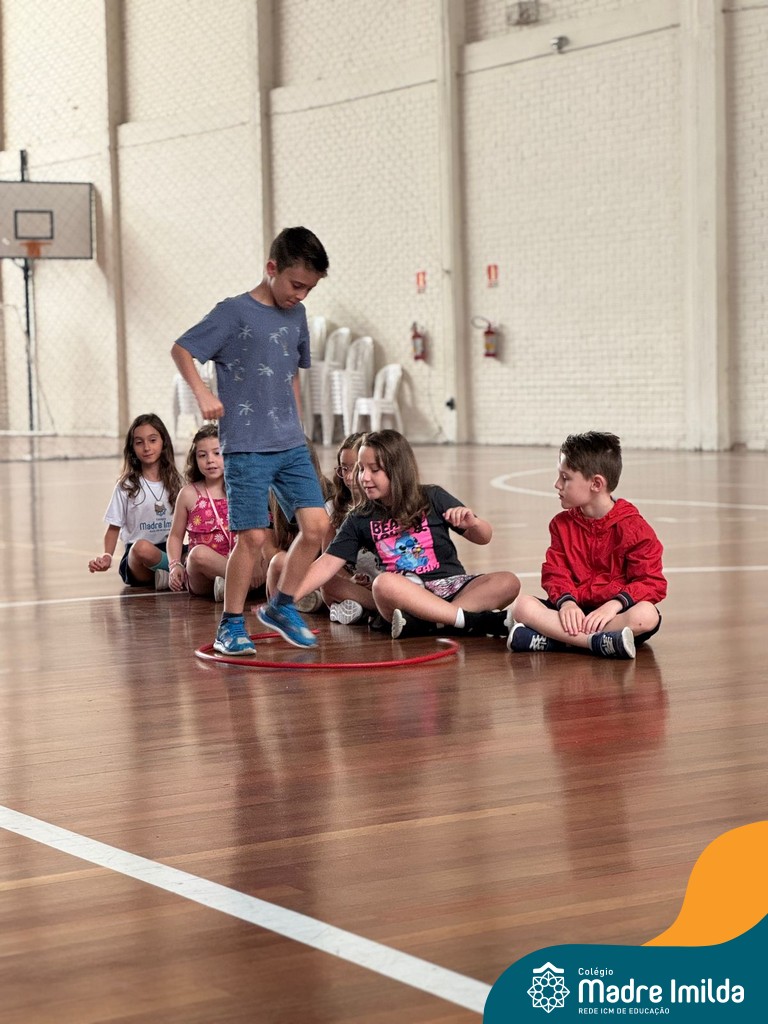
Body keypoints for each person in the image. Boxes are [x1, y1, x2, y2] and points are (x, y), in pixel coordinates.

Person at [170, 225, 330, 655]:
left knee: (317, 526)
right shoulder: (233, 312)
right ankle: (230, 625)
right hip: (246, 447)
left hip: (290, 444)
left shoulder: (297, 316)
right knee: (254, 538)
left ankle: (282, 606)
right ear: (271, 268)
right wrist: (203, 393)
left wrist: (300, 428)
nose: (301, 295)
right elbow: (182, 349)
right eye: (296, 284)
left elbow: (291, 376)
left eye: (309, 288)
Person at [291, 429, 521, 638]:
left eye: (374, 470)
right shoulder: (359, 517)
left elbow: (484, 537)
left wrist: (473, 523)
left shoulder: (432, 496)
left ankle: (433, 622)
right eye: (361, 469)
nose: (364, 478)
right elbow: (326, 564)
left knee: (508, 581)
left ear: (397, 470)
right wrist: (286, 598)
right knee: (383, 584)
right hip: (407, 594)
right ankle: (468, 621)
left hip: (452, 586)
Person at [506, 431, 667, 660]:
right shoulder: (560, 525)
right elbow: (555, 571)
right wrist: (567, 603)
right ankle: (596, 643)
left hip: (612, 616)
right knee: (521, 606)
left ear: (596, 484)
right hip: (572, 612)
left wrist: (614, 605)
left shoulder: (636, 529)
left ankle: (554, 640)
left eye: (565, 477)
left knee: (647, 616)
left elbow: (651, 581)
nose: (557, 484)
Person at [165, 424, 277, 600]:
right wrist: (174, 565)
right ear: (195, 459)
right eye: (202, 455)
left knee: (276, 557)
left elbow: (264, 530)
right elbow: (175, 536)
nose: (210, 460)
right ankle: (244, 585)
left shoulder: (245, 488)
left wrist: (257, 561)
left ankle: (231, 587)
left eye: (217, 453)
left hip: (246, 562)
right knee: (197, 555)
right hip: (206, 576)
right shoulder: (188, 494)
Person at [88, 413, 182, 588]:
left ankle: (167, 576)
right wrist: (107, 556)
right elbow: (113, 528)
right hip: (140, 557)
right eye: (139, 442)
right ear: (132, 448)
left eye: (152, 440)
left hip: (172, 552)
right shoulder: (126, 486)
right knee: (141, 548)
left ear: (164, 443)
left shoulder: (177, 483)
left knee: (196, 553)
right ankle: (174, 574)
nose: (146, 447)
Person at [321, 431, 381, 625]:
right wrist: (350, 580)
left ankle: (366, 608)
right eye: (343, 469)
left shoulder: (383, 505)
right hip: (354, 583)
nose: (348, 476)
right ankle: (373, 610)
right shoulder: (333, 508)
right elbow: (328, 558)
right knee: (327, 583)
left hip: (384, 582)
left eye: (355, 468)